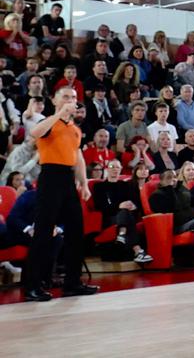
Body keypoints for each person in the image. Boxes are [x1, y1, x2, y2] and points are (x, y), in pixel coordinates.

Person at [22, 86, 97, 301]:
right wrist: (59, 114)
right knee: (43, 231)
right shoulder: (49, 123)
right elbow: (35, 133)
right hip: (50, 176)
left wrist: (84, 183)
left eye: (73, 97)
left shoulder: (75, 128)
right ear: (55, 100)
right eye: (65, 97)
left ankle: (72, 283)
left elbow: (77, 156)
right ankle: (33, 286)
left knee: (76, 231)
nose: (70, 100)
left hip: (68, 179)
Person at [92, 159, 153, 265]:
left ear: (120, 169)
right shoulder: (99, 186)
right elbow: (99, 206)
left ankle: (122, 235)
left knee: (126, 212)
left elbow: (136, 203)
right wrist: (119, 206)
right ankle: (138, 251)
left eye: (117, 167)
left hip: (127, 216)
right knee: (124, 212)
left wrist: (133, 206)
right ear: (106, 169)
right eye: (112, 167)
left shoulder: (126, 185)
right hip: (110, 217)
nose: (115, 169)